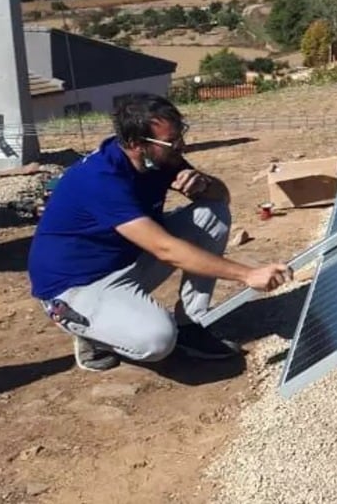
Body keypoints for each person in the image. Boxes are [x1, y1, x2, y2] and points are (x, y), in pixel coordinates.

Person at [28, 93, 293, 371]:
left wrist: (204, 184)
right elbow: (164, 248)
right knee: (158, 340)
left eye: (180, 136)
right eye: (172, 141)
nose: (182, 146)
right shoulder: (101, 179)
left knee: (211, 213)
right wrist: (248, 274)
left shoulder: (162, 158)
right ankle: (91, 332)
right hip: (76, 285)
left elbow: (221, 198)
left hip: (125, 259)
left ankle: (190, 323)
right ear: (135, 144)